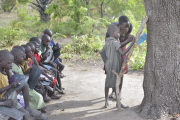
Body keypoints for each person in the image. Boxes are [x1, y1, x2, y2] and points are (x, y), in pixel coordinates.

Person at [102, 24, 135, 108]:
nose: (120, 34)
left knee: (108, 82)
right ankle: (118, 103)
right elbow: (123, 52)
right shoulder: (115, 42)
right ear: (113, 32)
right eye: (118, 32)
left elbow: (102, 52)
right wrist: (131, 45)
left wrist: (106, 61)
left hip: (108, 65)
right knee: (117, 83)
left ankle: (106, 101)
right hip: (115, 65)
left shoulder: (108, 41)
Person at [10, 48, 48, 120]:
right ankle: (35, 114)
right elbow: (16, 81)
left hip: (23, 87)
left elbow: (21, 77)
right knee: (37, 96)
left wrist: (27, 73)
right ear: (16, 58)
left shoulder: (17, 65)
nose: (24, 57)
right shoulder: (12, 67)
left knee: (38, 95)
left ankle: (36, 113)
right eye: (22, 56)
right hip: (18, 90)